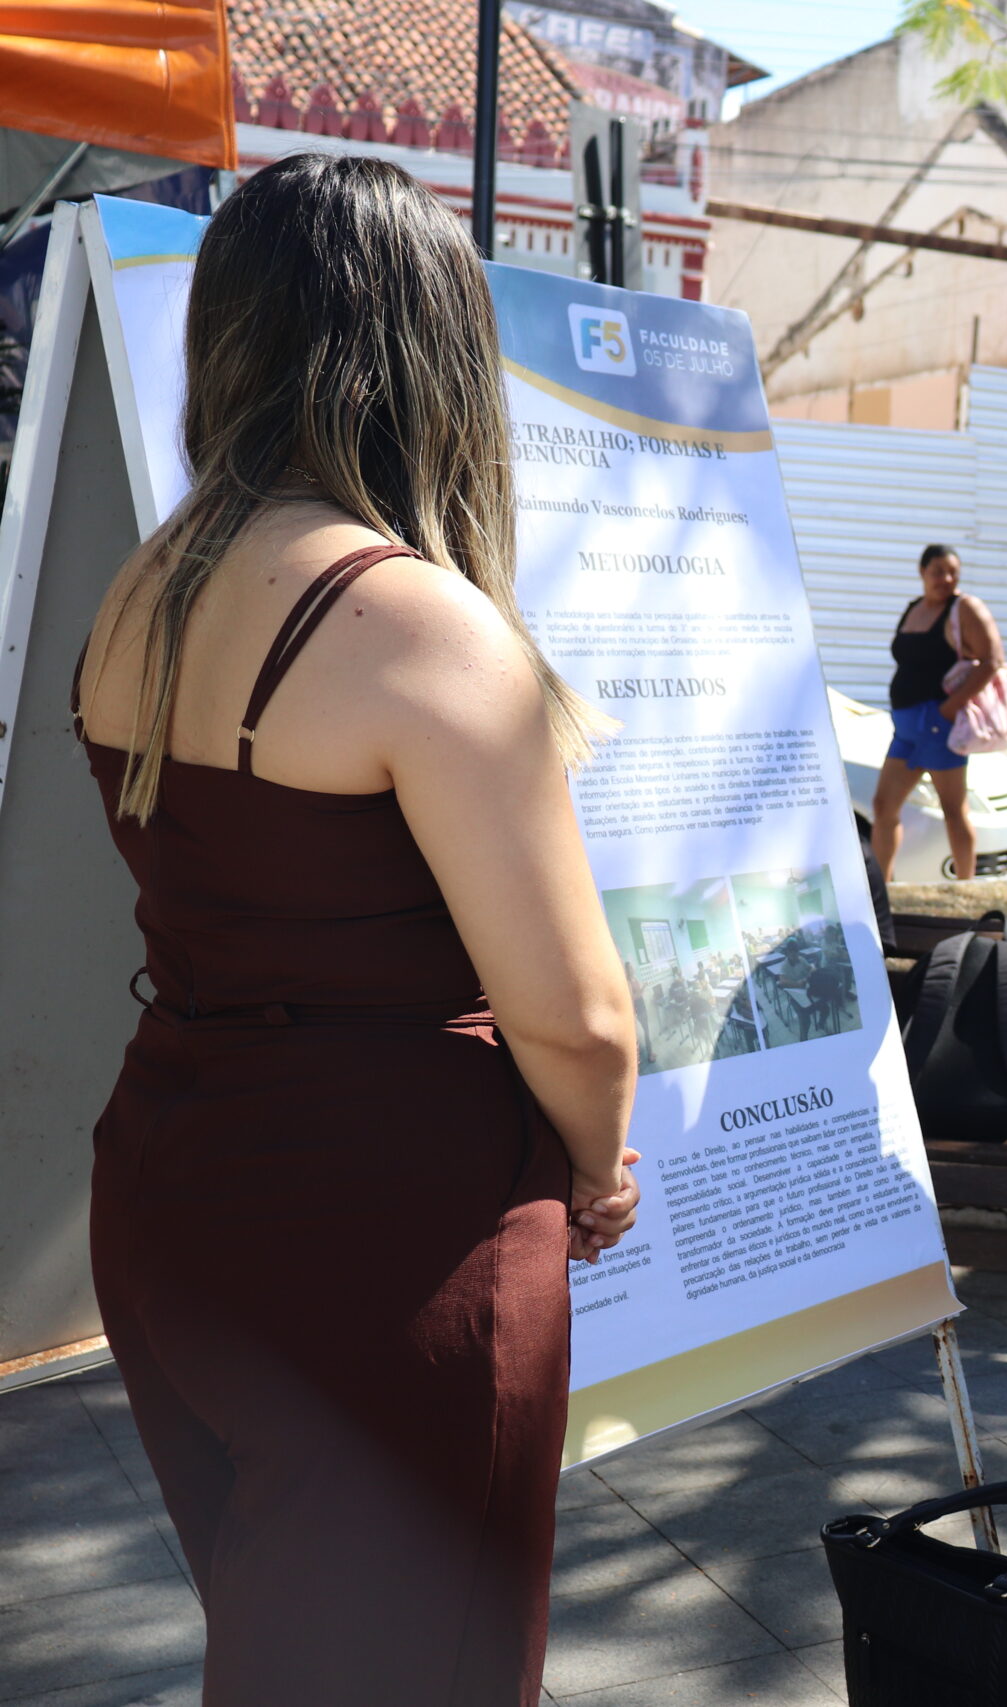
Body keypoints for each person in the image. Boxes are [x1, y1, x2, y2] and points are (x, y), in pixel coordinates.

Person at [69, 153, 641, 1706]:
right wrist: (599, 1168)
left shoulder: (140, 588)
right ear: (431, 350)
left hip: (176, 1181)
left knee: (284, 1647)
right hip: (389, 1234)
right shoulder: (416, 623)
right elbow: (580, 1016)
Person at [875, 543, 1004, 880]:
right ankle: (882, 888)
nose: (946, 579)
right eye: (938, 572)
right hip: (905, 729)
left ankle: (966, 887)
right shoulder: (914, 608)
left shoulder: (964, 608)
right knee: (883, 806)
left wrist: (947, 710)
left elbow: (992, 660)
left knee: (953, 809)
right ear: (922, 572)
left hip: (937, 725)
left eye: (953, 573)